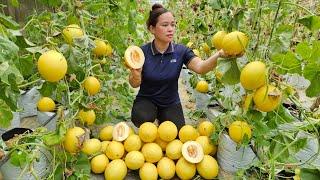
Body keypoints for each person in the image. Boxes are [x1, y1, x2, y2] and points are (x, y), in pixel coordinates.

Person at [129, 4, 230, 130]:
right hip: (147, 99)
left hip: (170, 101)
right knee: (141, 118)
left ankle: (163, 117)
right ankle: (151, 118)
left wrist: (219, 55)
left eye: (173, 24)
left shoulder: (181, 51)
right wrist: (136, 75)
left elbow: (201, 67)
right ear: (152, 29)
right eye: (165, 25)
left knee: (177, 131)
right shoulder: (141, 52)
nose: (170, 29)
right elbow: (134, 84)